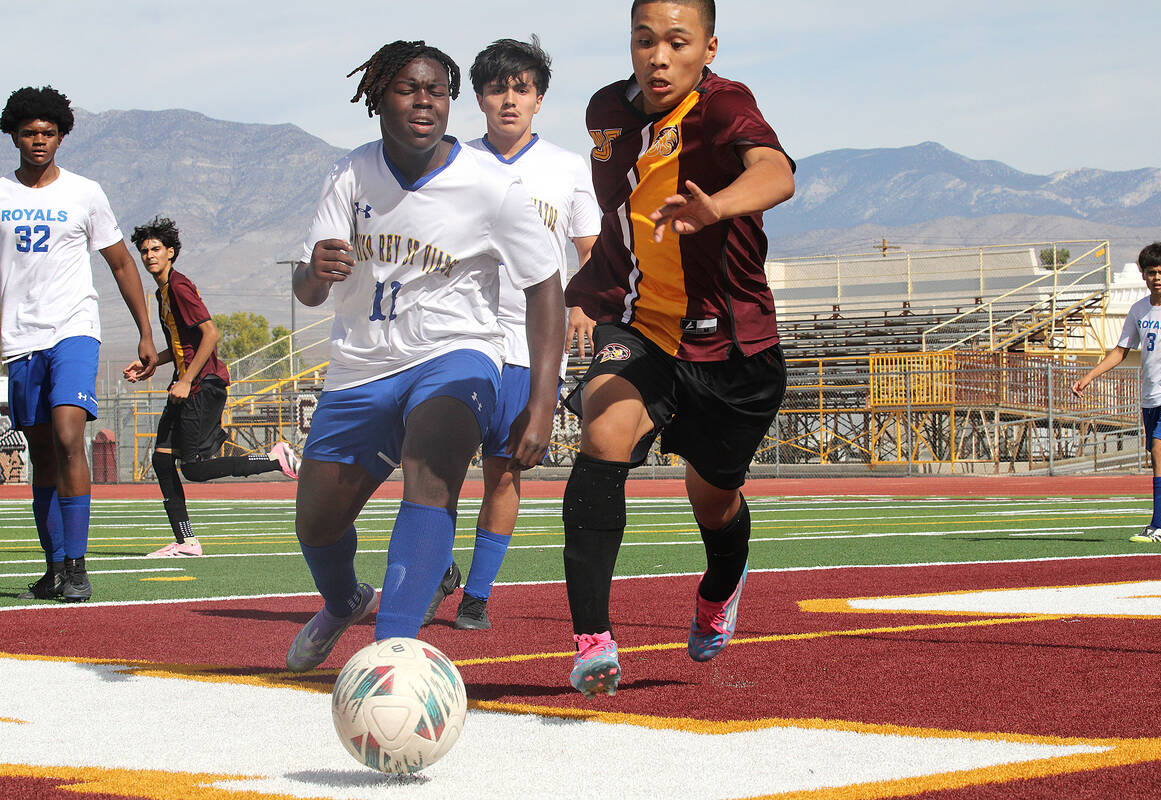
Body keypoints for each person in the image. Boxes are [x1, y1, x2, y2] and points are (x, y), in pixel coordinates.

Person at [284, 40, 564, 672]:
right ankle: (342, 601)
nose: (424, 101)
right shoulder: (349, 175)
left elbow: (546, 286)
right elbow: (307, 287)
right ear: (379, 97)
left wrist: (543, 402)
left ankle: (393, 656)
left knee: (431, 468)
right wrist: (314, 273)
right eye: (409, 89)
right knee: (317, 523)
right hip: (360, 366)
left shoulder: (491, 186)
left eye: (436, 91)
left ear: (449, 102)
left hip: (457, 354)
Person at [560, 0, 795, 697]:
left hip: (733, 347)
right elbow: (617, 214)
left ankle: (720, 588)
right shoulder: (607, 110)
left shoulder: (726, 106)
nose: (658, 57)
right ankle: (592, 642)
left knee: (714, 500)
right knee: (602, 431)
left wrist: (718, 206)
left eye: (676, 42)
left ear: (708, 48)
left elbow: (777, 173)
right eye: (644, 41)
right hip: (639, 327)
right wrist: (587, 286)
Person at [421, 35, 600, 631]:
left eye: (521, 89)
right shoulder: (452, 162)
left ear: (539, 99)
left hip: (530, 344)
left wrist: (580, 305)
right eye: (497, 88)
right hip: (460, 336)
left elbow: (589, 251)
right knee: (436, 464)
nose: (508, 100)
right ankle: (435, 566)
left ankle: (476, 594)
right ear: (478, 97)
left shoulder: (567, 167)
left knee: (504, 469)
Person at [1, 86, 157, 602]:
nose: (39, 140)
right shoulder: (2, 196)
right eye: (29, 132)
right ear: (14, 135)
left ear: (62, 136)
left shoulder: (85, 193)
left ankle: (77, 565)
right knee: (42, 452)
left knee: (70, 435)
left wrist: (144, 330)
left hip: (73, 330)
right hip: (19, 339)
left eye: (48, 132)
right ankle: (53, 567)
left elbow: (119, 262)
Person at [123, 216, 300, 557]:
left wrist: (187, 380)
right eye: (144, 251)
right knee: (162, 461)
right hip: (186, 381)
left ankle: (276, 459)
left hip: (202, 383)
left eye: (156, 249)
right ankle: (186, 541)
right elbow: (182, 344)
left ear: (171, 252)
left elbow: (210, 333)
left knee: (193, 468)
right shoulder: (162, 292)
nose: (149, 256)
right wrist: (151, 365)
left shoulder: (178, 286)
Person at [1072, 242, 1161, 543]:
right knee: (1160, 458)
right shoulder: (1139, 309)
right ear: (1144, 275)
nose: (1157, 277)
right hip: (1150, 395)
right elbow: (1120, 350)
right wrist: (1089, 376)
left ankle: (1158, 526)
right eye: (1151, 272)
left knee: (1159, 449)